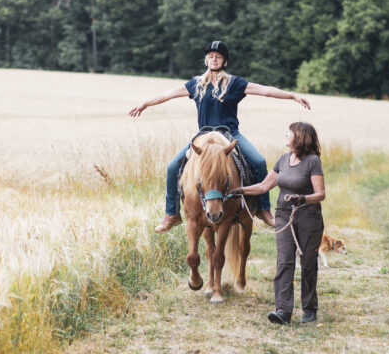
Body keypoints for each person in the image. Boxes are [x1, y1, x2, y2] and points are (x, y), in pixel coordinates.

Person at [128, 41, 311, 233]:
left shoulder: (234, 83)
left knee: (258, 161)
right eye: (211, 56)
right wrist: (145, 104)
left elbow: (264, 90)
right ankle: (172, 214)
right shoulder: (196, 84)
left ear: (224, 61)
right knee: (173, 167)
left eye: (218, 57)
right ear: (206, 59)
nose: (214, 59)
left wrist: (292, 95)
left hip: (230, 133)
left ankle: (263, 210)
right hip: (204, 136)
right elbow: (168, 94)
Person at [230, 122, 325, 325]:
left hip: (308, 216)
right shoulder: (283, 160)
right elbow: (265, 185)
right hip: (283, 216)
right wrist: (241, 190)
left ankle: (309, 309)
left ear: (299, 137)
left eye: (288, 133)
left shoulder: (312, 161)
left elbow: (321, 194)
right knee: (284, 263)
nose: (285, 136)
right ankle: (282, 311)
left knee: (308, 264)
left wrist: (303, 198)